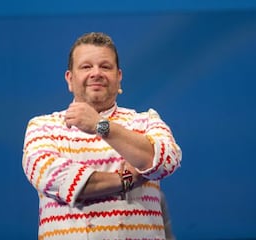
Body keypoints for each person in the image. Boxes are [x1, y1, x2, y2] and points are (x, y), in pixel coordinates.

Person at [22, 32, 182, 240]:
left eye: (105, 66)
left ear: (119, 77)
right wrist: (126, 179)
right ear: (70, 79)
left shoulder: (145, 121)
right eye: (86, 67)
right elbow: (56, 178)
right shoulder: (43, 127)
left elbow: (165, 161)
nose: (96, 73)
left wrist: (100, 125)